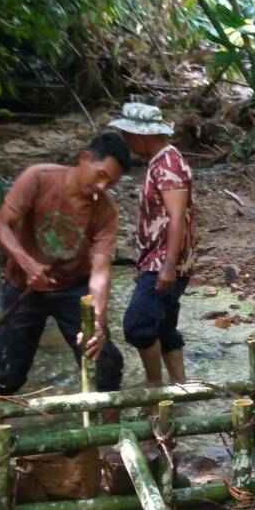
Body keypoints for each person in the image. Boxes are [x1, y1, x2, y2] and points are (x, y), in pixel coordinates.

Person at [0, 132, 130, 402]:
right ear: (85, 158)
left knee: (104, 363)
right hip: (22, 285)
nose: (103, 186)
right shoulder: (38, 178)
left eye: (111, 182)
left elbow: (100, 270)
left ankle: (108, 429)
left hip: (73, 287)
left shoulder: (106, 211)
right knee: (5, 371)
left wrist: (98, 321)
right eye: (101, 175)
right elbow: (0, 226)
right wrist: (28, 264)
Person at [111, 102, 196, 387]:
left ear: (140, 136)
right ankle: (180, 387)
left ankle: (154, 383)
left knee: (138, 325)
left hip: (163, 261)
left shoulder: (168, 163)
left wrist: (168, 266)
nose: (127, 143)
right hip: (160, 259)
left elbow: (177, 217)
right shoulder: (161, 161)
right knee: (164, 325)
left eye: (128, 136)